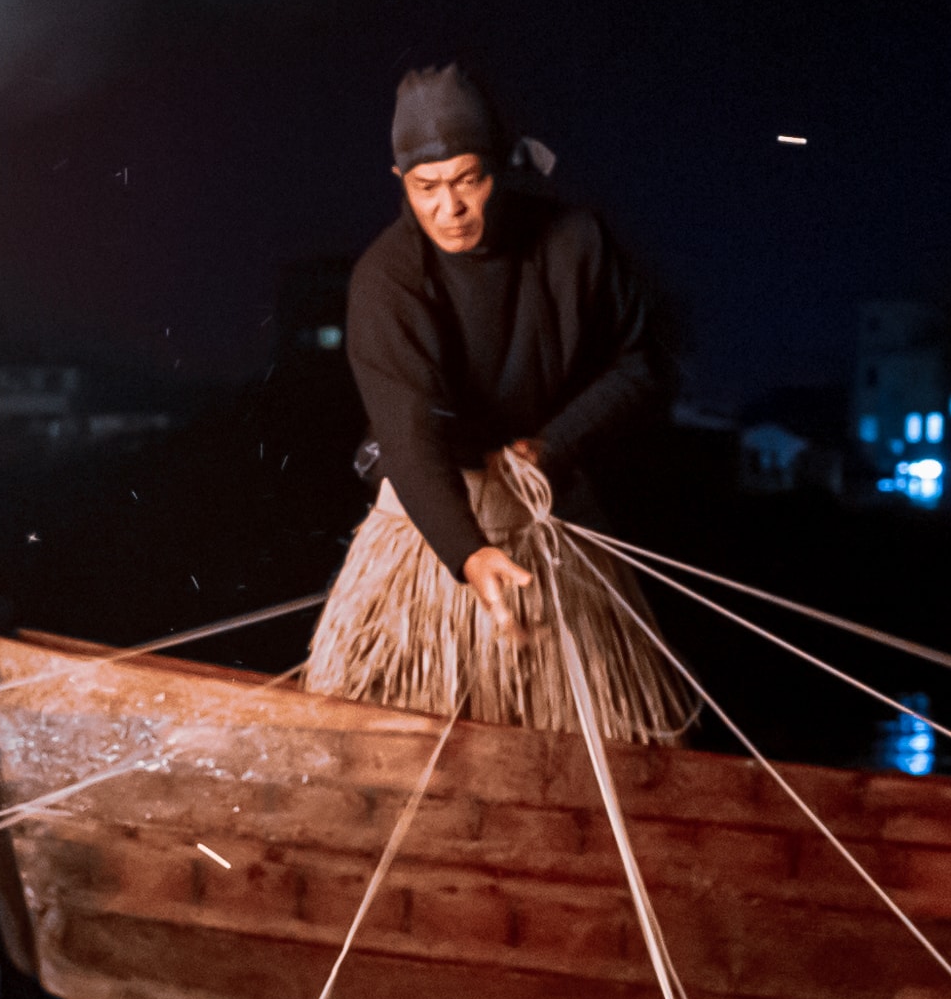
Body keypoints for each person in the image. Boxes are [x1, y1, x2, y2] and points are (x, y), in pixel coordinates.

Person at [301, 63, 702, 734]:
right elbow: (406, 432)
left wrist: (557, 442)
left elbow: (642, 366)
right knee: (371, 742)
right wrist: (468, 551)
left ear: (502, 168)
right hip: (427, 514)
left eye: (469, 180)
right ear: (402, 182)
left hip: (546, 508)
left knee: (597, 744)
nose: (449, 209)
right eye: (426, 187)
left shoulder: (577, 243)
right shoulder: (386, 277)